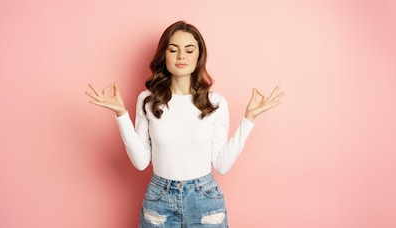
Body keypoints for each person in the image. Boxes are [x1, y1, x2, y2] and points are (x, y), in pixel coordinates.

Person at [86, 21, 283, 227]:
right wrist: (121, 114)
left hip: (204, 200)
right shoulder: (148, 100)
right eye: (173, 49)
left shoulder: (215, 103)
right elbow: (141, 162)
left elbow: (222, 166)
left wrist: (248, 119)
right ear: (164, 55)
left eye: (189, 50)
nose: (181, 56)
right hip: (159, 201)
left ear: (199, 56)